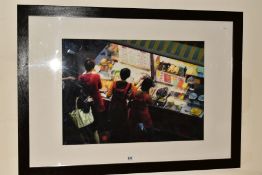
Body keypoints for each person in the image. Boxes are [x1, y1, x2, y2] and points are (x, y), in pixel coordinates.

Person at [78, 59, 105, 143]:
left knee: (87, 119)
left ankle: (88, 133)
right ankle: (95, 132)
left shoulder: (81, 77)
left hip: (85, 100)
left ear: (85, 67)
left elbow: (81, 87)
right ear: (93, 67)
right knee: (96, 118)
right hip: (95, 99)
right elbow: (100, 87)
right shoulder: (96, 76)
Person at [107, 68, 136, 143]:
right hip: (122, 107)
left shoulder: (114, 83)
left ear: (120, 74)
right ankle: (120, 138)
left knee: (113, 122)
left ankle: (112, 137)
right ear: (128, 76)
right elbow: (131, 97)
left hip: (113, 106)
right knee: (121, 123)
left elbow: (108, 95)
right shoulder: (130, 86)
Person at [128, 78, 155, 142]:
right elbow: (151, 103)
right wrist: (151, 94)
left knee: (134, 131)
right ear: (149, 87)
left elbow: (129, 97)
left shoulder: (135, 93)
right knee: (150, 131)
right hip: (144, 117)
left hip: (133, 115)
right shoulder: (147, 96)